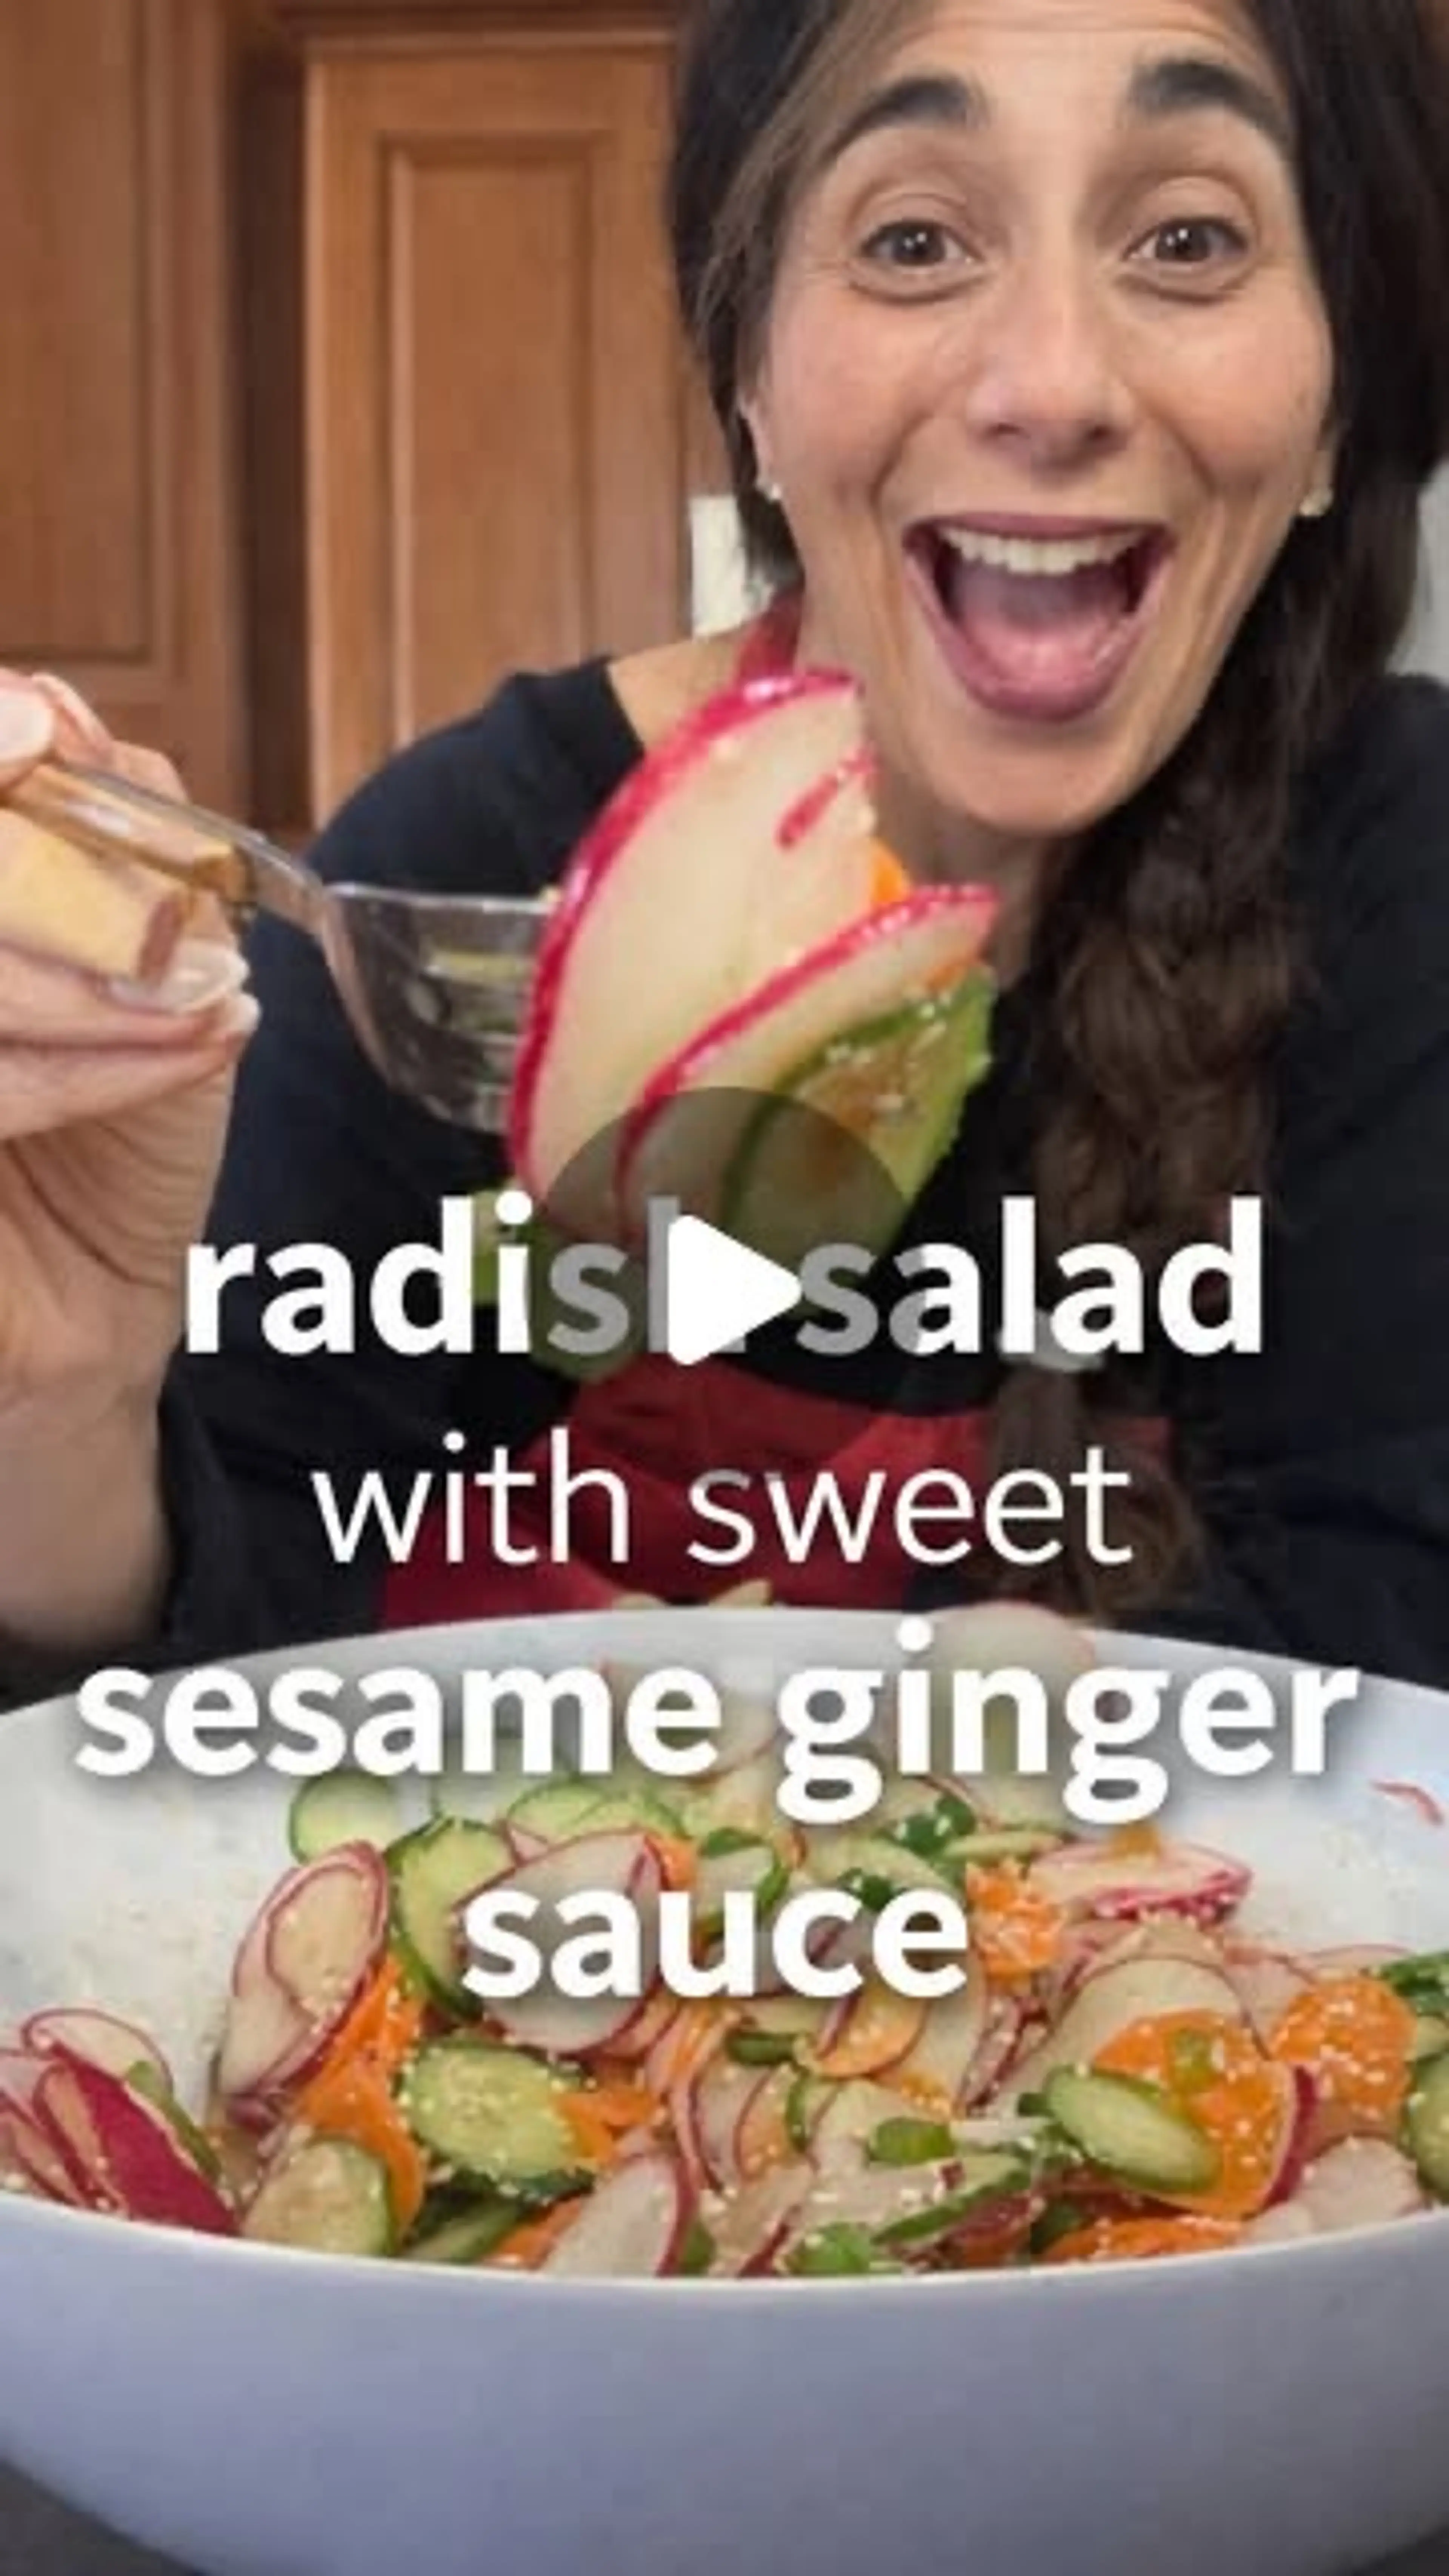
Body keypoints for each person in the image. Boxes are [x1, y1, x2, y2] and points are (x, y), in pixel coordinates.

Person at [3, 0, 1449, 1715]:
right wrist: (65, 1406)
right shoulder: (457, 869)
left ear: (1339, 399)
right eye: (914, 239)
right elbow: (213, 1706)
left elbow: (1386, 1668)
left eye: (1189, 238)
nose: (1054, 382)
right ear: (750, 377)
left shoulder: (1402, 871)